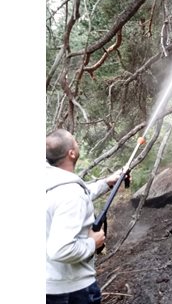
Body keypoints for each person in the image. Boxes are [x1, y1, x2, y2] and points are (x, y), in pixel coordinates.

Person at [46, 128, 124, 304]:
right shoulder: (71, 194)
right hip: (72, 292)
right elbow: (60, 250)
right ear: (71, 153)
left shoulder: (52, 184)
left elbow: (75, 196)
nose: (77, 142)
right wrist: (93, 243)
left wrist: (106, 183)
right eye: (75, 141)